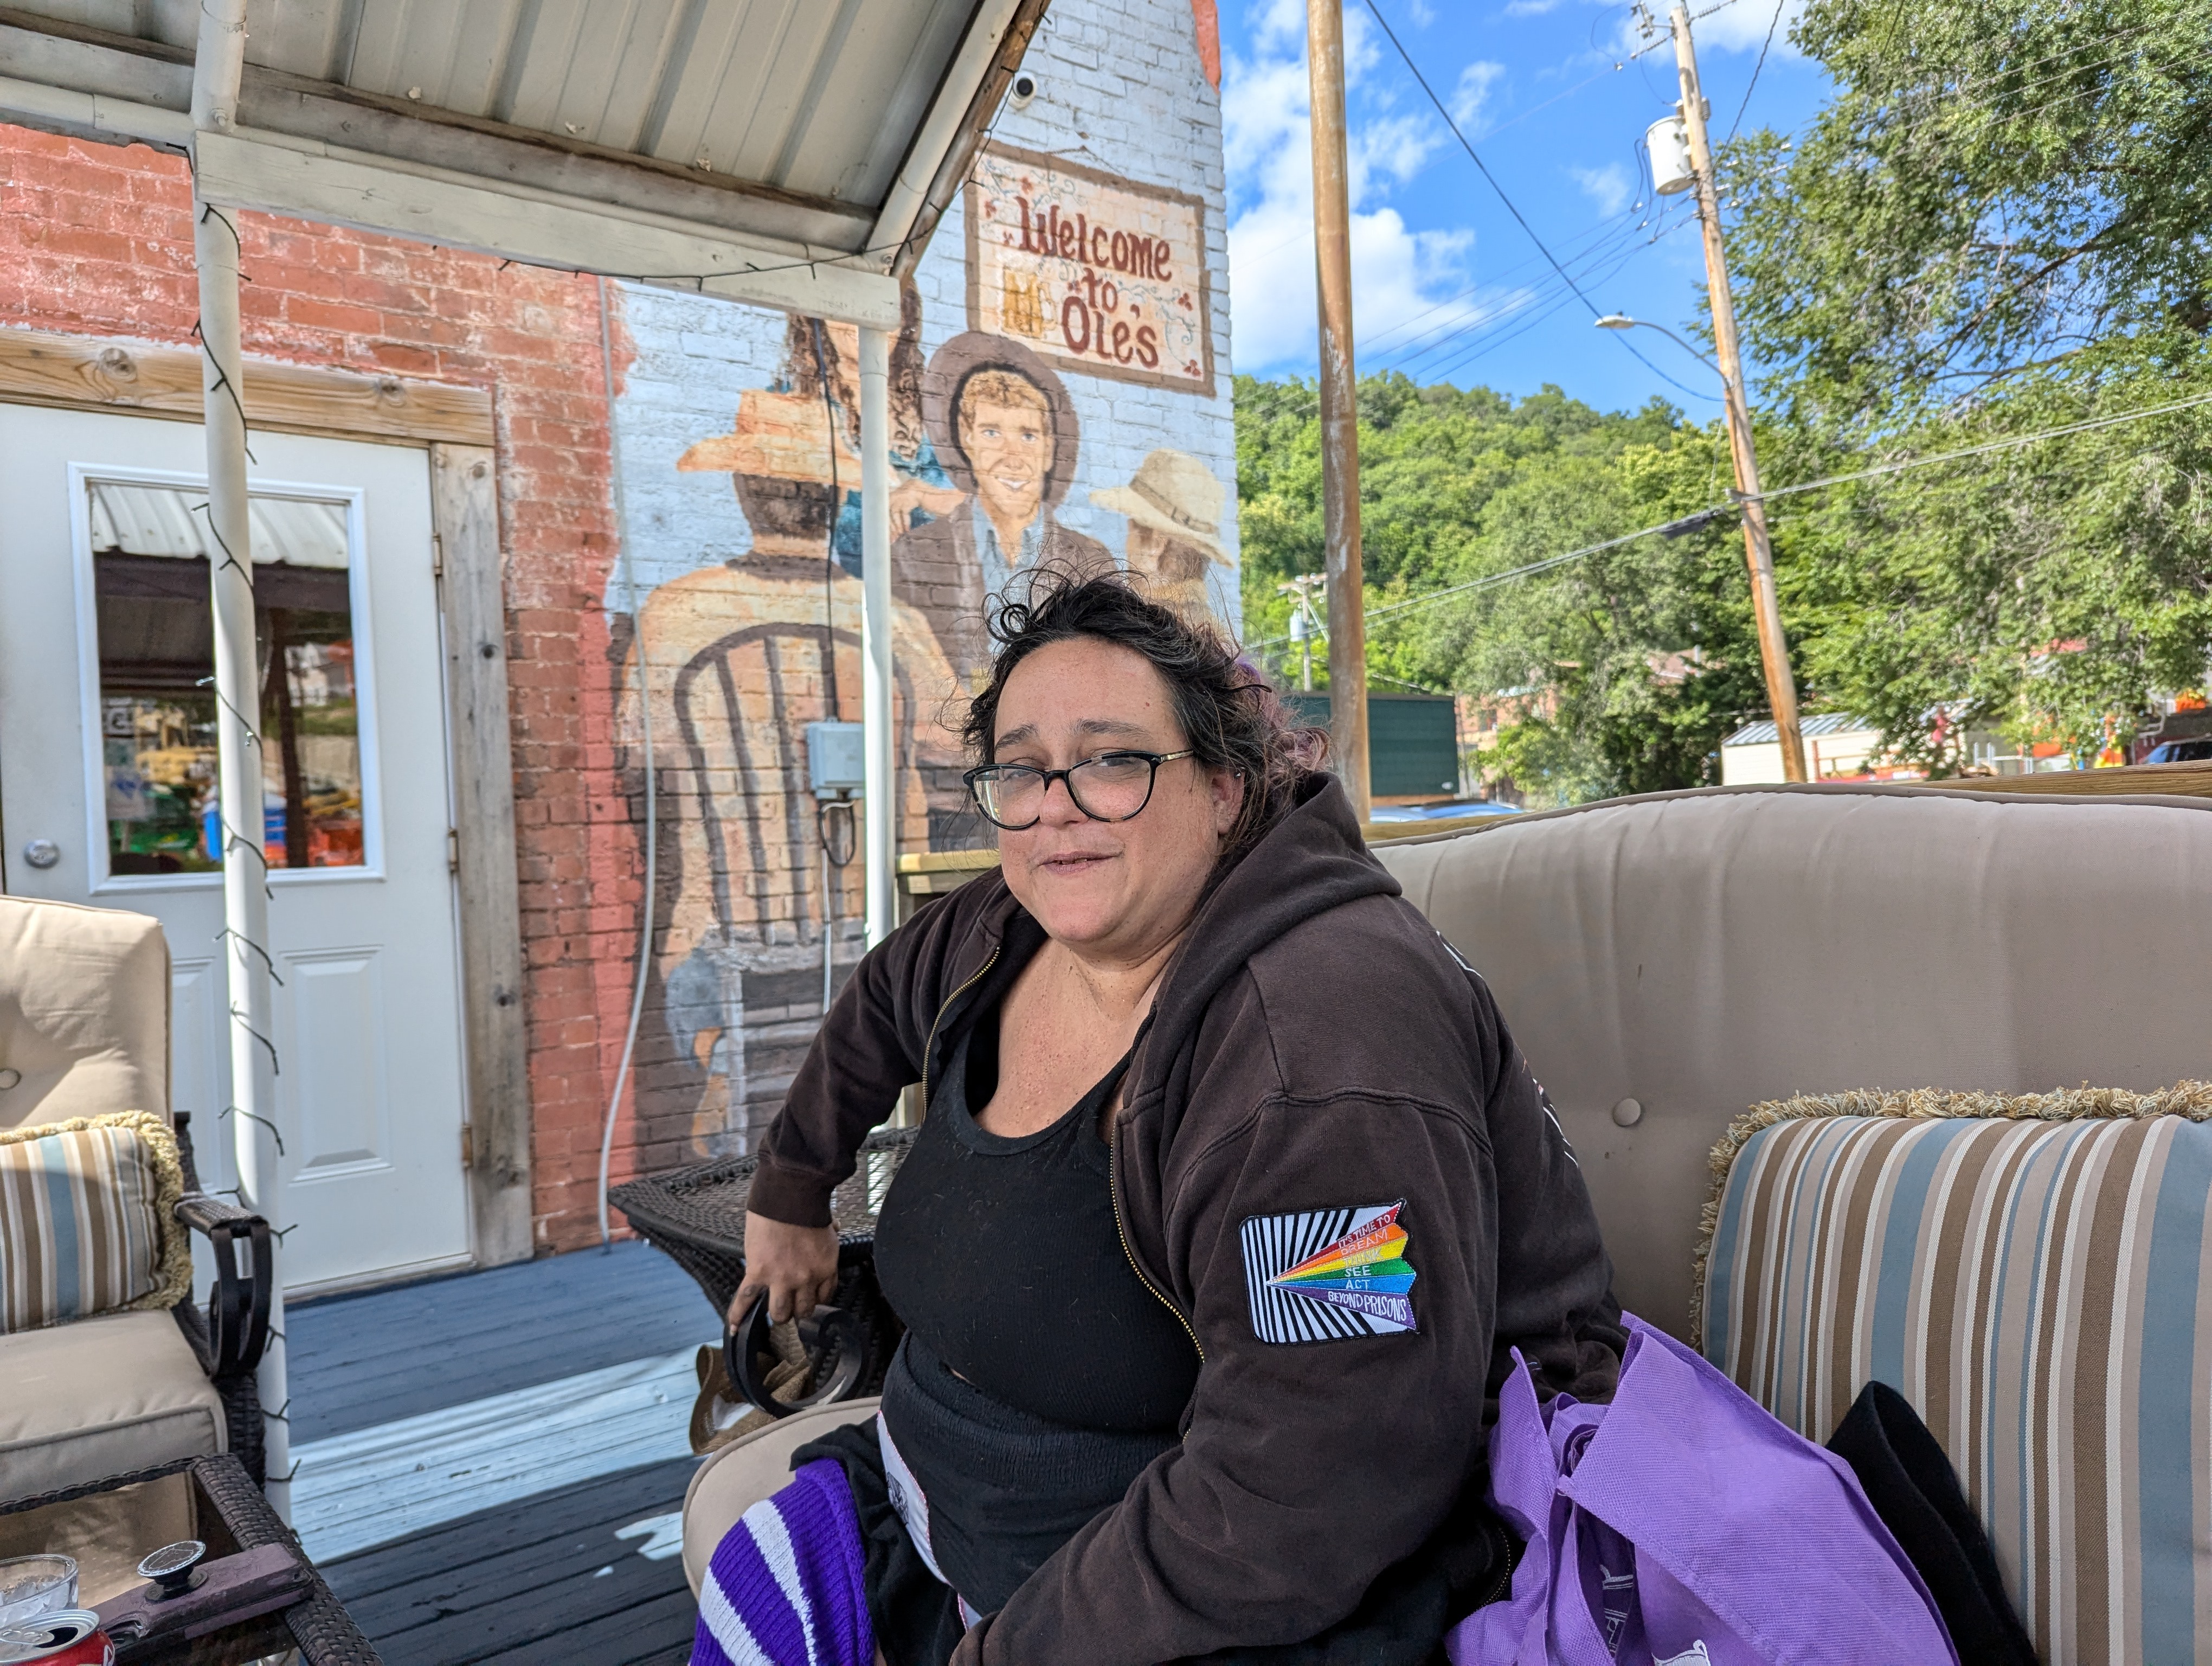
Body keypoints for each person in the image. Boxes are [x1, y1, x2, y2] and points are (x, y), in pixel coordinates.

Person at [729, 572, 1624, 1664]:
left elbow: (1309, 1483)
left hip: (1216, 1608)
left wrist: (1009, 1653)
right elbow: (881, 1001)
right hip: (943, 1512)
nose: (1056, 806)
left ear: (1224, 788)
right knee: (752, 1585)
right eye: (1022, 768)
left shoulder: (1320, 1051)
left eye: (1112, 760)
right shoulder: (1005, 927)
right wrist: (790, 1192)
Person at [890, 334, 1114, 688]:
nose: (1013, 457)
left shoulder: (1091, 561)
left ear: (1048, 450)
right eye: (992, 433)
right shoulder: (914, 557)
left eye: (1028, 436)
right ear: (967, 441)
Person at [1090, 446, 1236, 629]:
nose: (1127, 547)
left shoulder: (1138, 629)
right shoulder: (1214, 631)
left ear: (1156, 544)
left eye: (1132, 531)